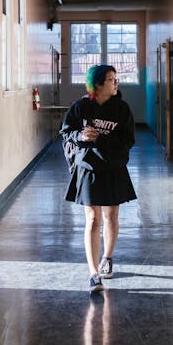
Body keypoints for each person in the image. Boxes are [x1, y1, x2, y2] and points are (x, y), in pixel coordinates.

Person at [60, 64, 137, 293]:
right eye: (112, 79)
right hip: (88, 169)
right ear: (98, 84)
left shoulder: (122, 109)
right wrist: (81, 135)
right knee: (93, 219)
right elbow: (66, 132)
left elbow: (128, 141)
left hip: (113, 168)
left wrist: (100, 141)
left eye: (116, 79)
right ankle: (93, 273)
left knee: (111, 217)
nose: (116, 83)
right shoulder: (81, 107)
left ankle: (108, 257)